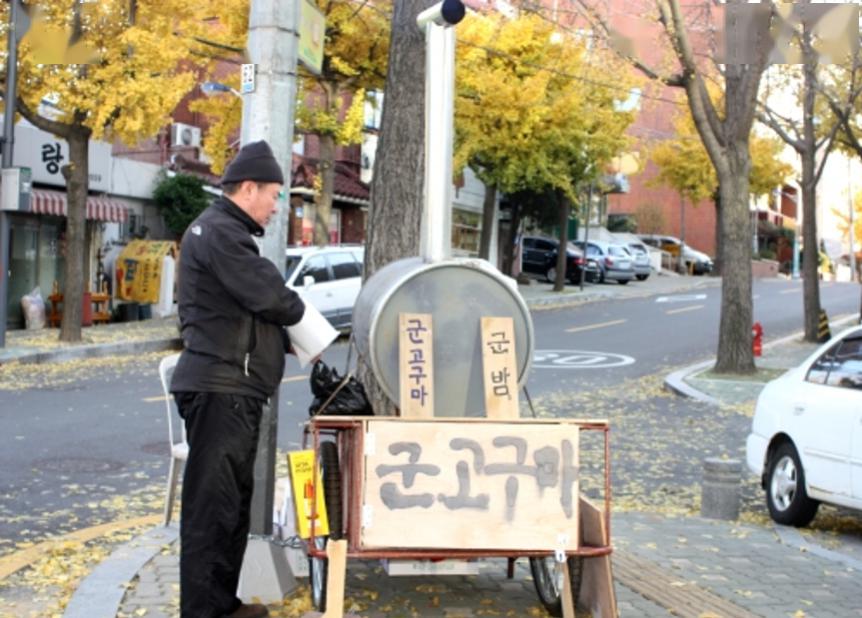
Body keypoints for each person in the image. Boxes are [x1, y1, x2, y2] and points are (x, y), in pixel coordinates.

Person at [170, 140, 305, 618]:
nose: (275, 206)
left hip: (230, 388)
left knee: (230, 505)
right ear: (248, 189)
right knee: (213, 510)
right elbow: (272, 296)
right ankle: (205, 613)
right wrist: (295, 310)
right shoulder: (222, 233)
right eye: (274, 195)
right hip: (220, 389)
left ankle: (222, 605)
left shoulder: (224, 231)